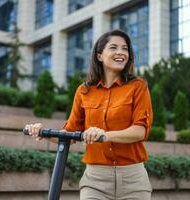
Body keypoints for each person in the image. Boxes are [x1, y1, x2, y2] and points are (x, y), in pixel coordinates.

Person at [25, 29, 153, 200]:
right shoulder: (84, 91)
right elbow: (70, 133)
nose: (121, 52)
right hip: (96, 181)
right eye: (114, 47)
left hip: (133, 180)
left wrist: (104, 135)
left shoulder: (138, 86)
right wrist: (42, 131)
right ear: (99, 55)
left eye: (125, 49)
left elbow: (140, 131)